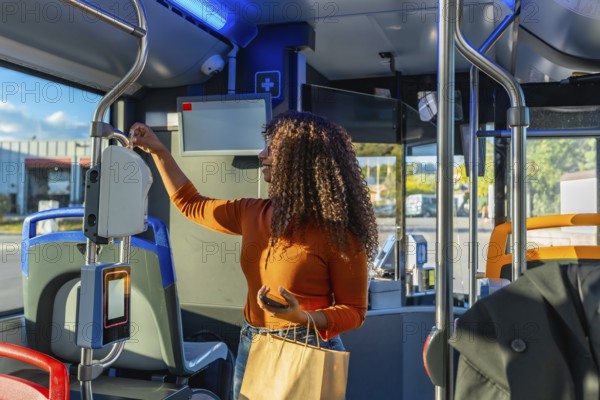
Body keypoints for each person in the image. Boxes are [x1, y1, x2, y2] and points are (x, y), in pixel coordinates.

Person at [129, 110, 378, 399]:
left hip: (309, 346)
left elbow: (355, 311)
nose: (262, 154)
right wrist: (158, 150)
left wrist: (303, 317)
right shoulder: (252, 212)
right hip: (253, 341)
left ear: (300, 161)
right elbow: (190, 203)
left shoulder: (339, 234)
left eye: (272, 147)